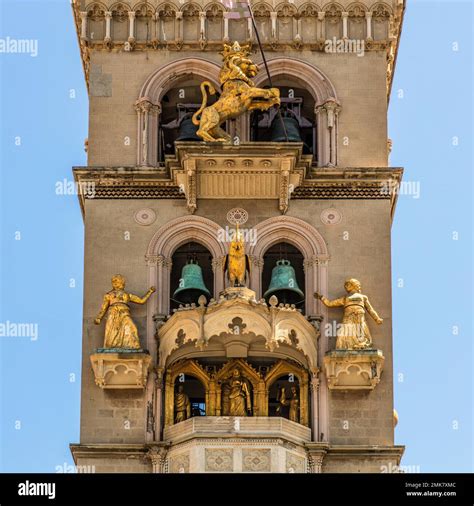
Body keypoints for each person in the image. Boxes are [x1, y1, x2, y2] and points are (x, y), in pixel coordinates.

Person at [314, 278, 383, 350]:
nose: (346, 287)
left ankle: (359, 346)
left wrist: (377, 318)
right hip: (348, 318)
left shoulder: (363, 297)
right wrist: (321, 297)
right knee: (343, 334)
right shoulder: (345, 298)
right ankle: (344, 348)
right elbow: (330, 304)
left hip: (359, 318)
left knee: (360, 334)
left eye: (348, 285)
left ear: (354, 285)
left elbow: (370, 309)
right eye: (346, 285)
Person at [94, 274, 155, 349]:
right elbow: (103, 308)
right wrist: (99, 318)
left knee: (133, 329)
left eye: (118, 282)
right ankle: (111, 348)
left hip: (125, 314)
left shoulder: (127, 295)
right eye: (114, 282)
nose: (116, 283)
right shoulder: (109, 295)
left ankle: (133, 347)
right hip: (113, 313)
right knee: (113, 332)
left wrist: (150, 292)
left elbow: (141, 301)